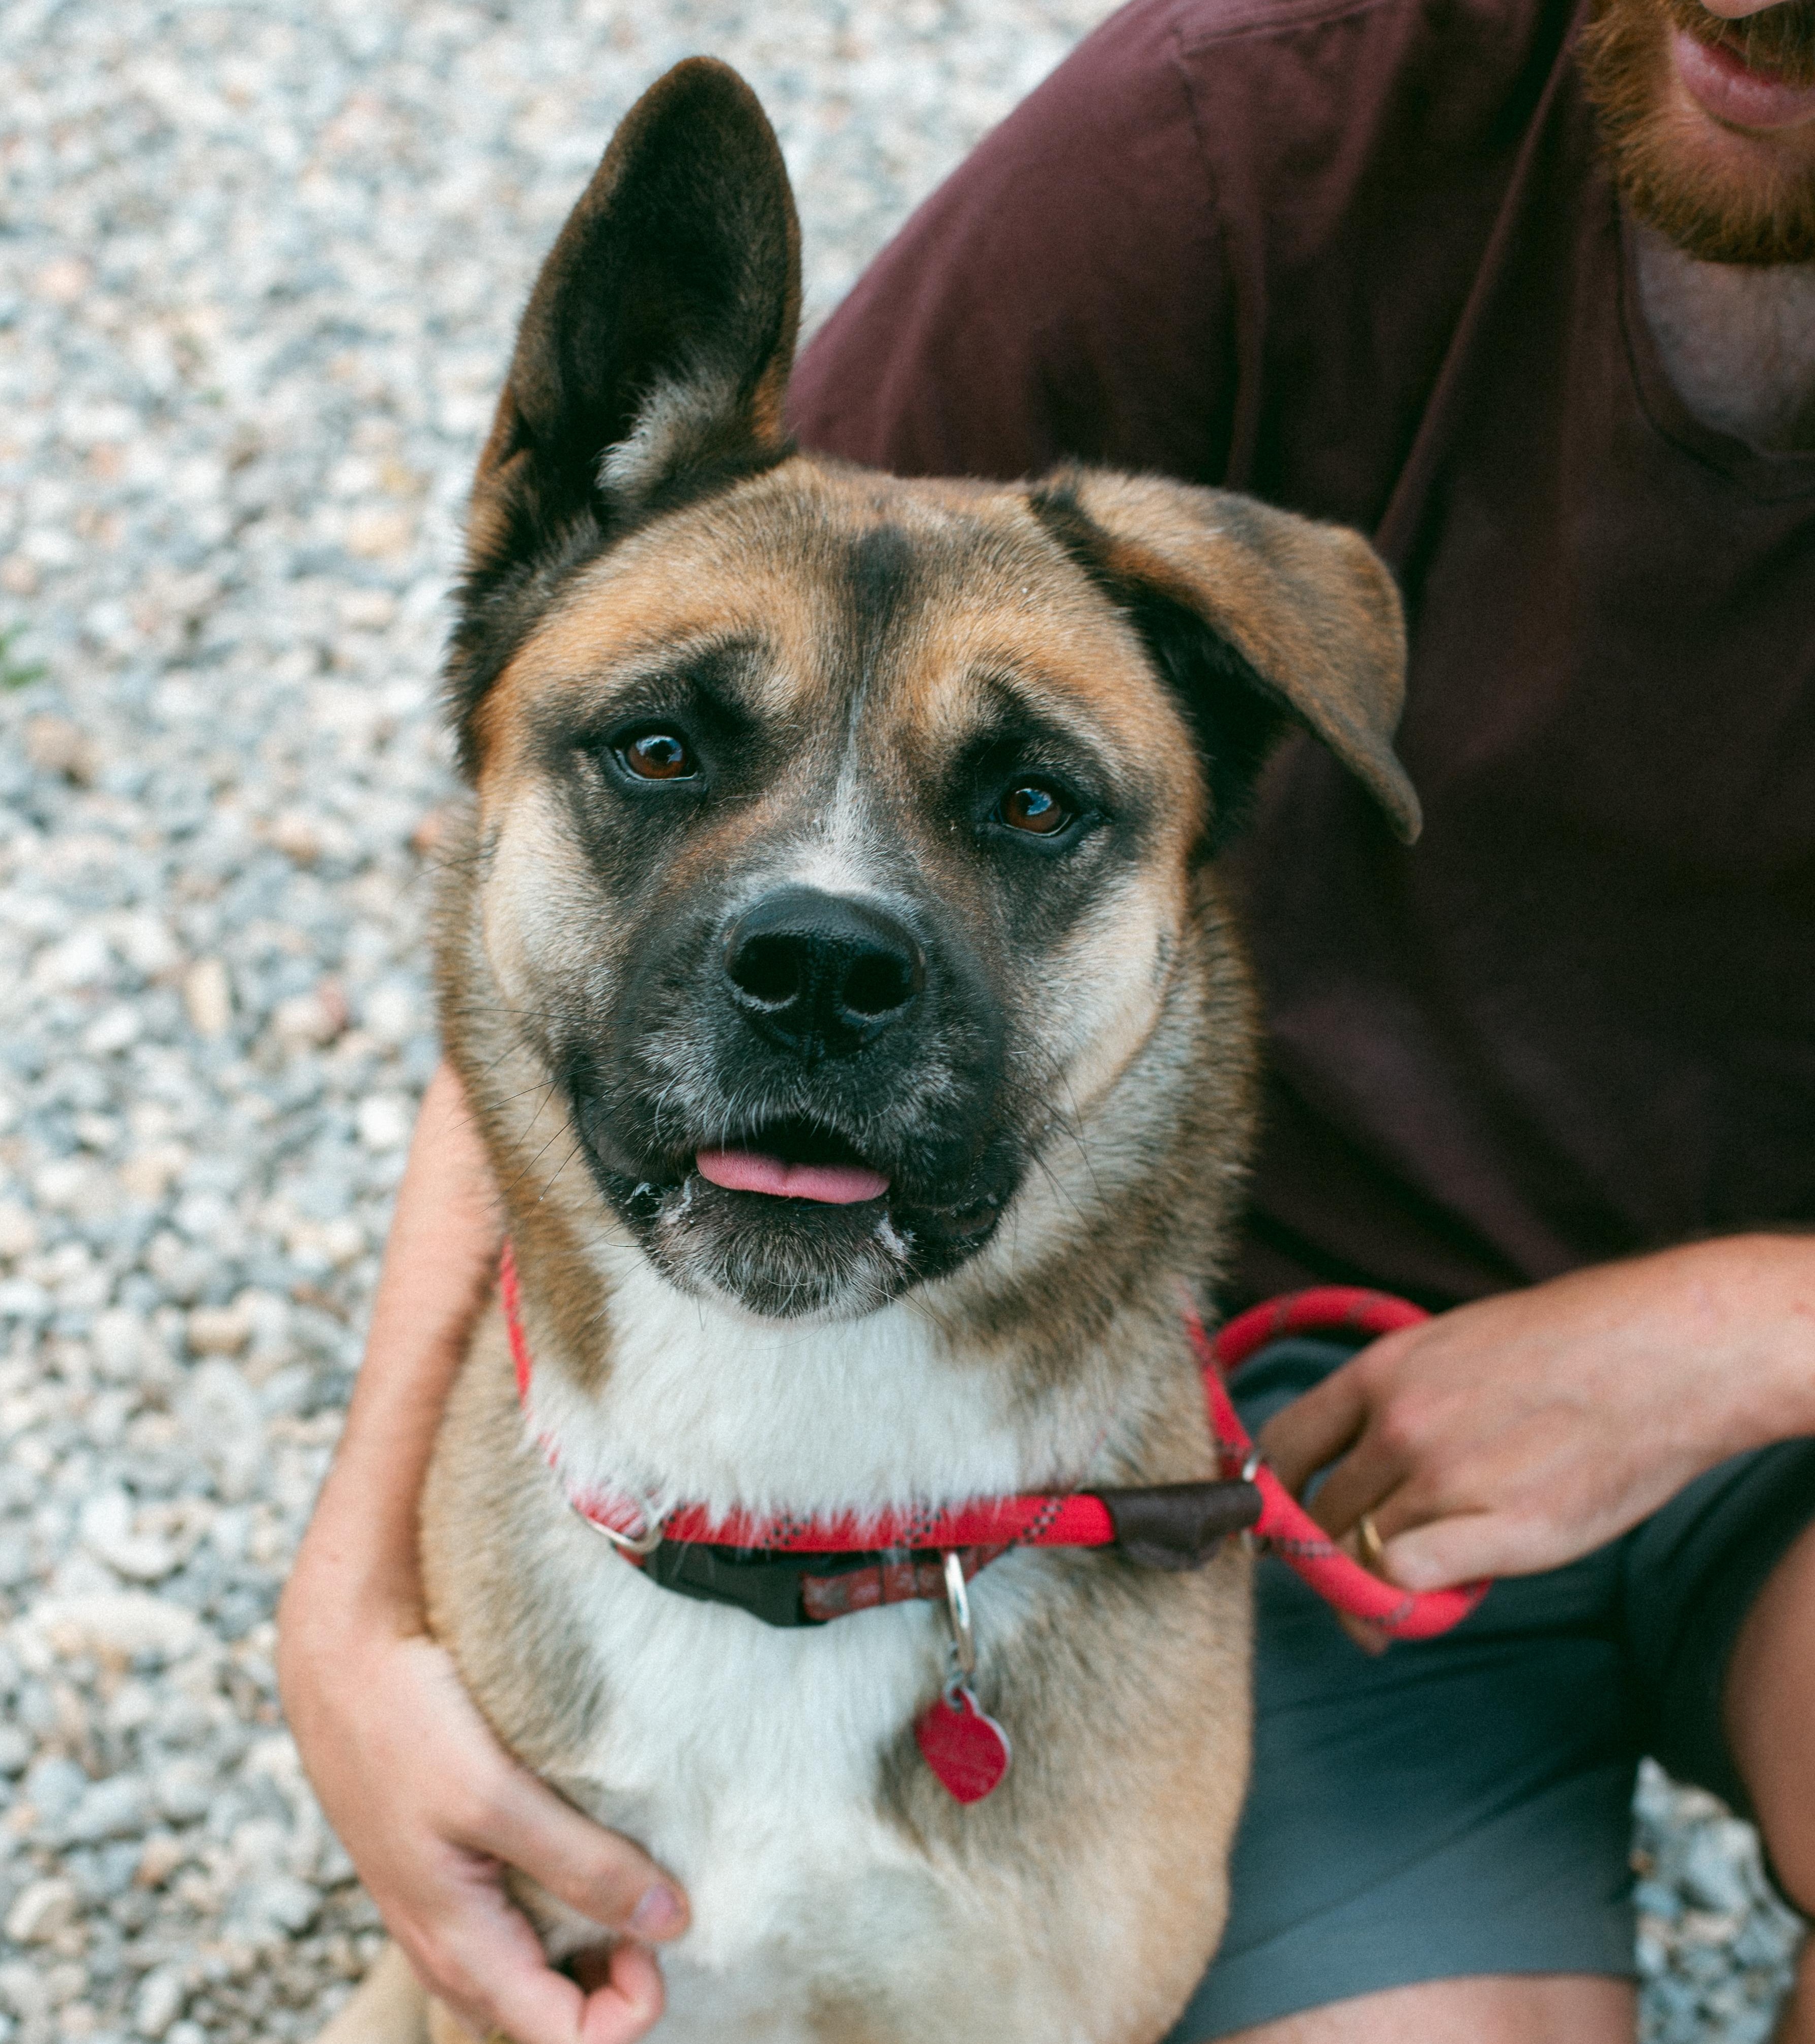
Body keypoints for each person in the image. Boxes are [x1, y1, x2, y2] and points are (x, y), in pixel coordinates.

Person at [277, 0, 1815, 2034]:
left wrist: (1728, 1338)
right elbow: (612, 733)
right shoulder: (1228, 145)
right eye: (671, 750)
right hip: (1266, 1457)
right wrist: (352, 1604)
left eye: (1017, 801)